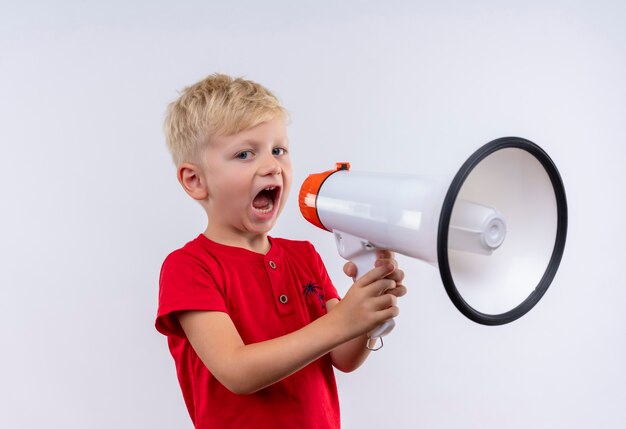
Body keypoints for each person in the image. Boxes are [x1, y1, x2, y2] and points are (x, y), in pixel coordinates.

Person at [155, 73, 407, 428]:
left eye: (279, 150)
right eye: (245, 154)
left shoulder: (303, 256)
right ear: (195, 181)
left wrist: (367, 309)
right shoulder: (191, 267)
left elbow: (343, 356)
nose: (272, 165)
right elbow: (236, 370)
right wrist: (342, 320)